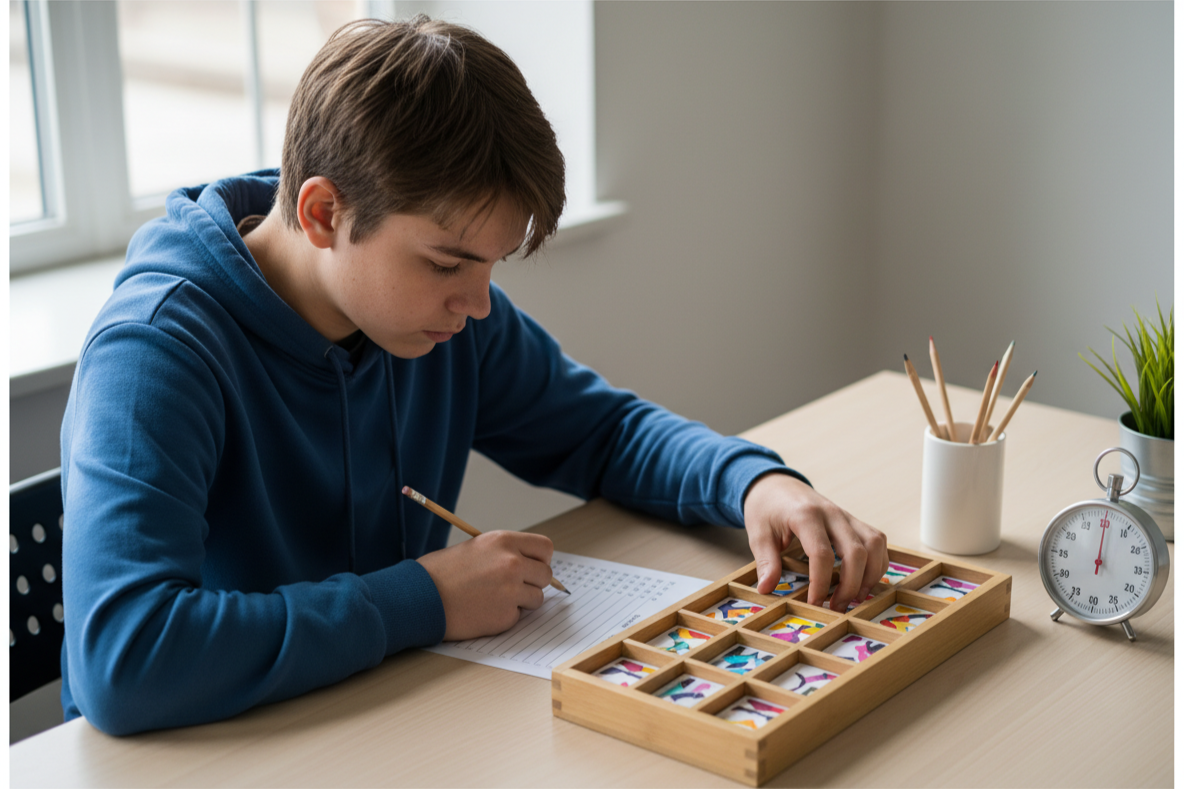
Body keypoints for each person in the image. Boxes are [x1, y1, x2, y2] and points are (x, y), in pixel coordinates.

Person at [60, 15, 887, 736]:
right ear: (323, 213)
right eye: (449, 262)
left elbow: (604, 432)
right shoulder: (156, 352)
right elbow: (125, 655)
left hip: (386, 717)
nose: (478, 305)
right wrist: (424, 598)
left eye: (491, 265)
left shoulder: (431, 316)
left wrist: (753, 484)